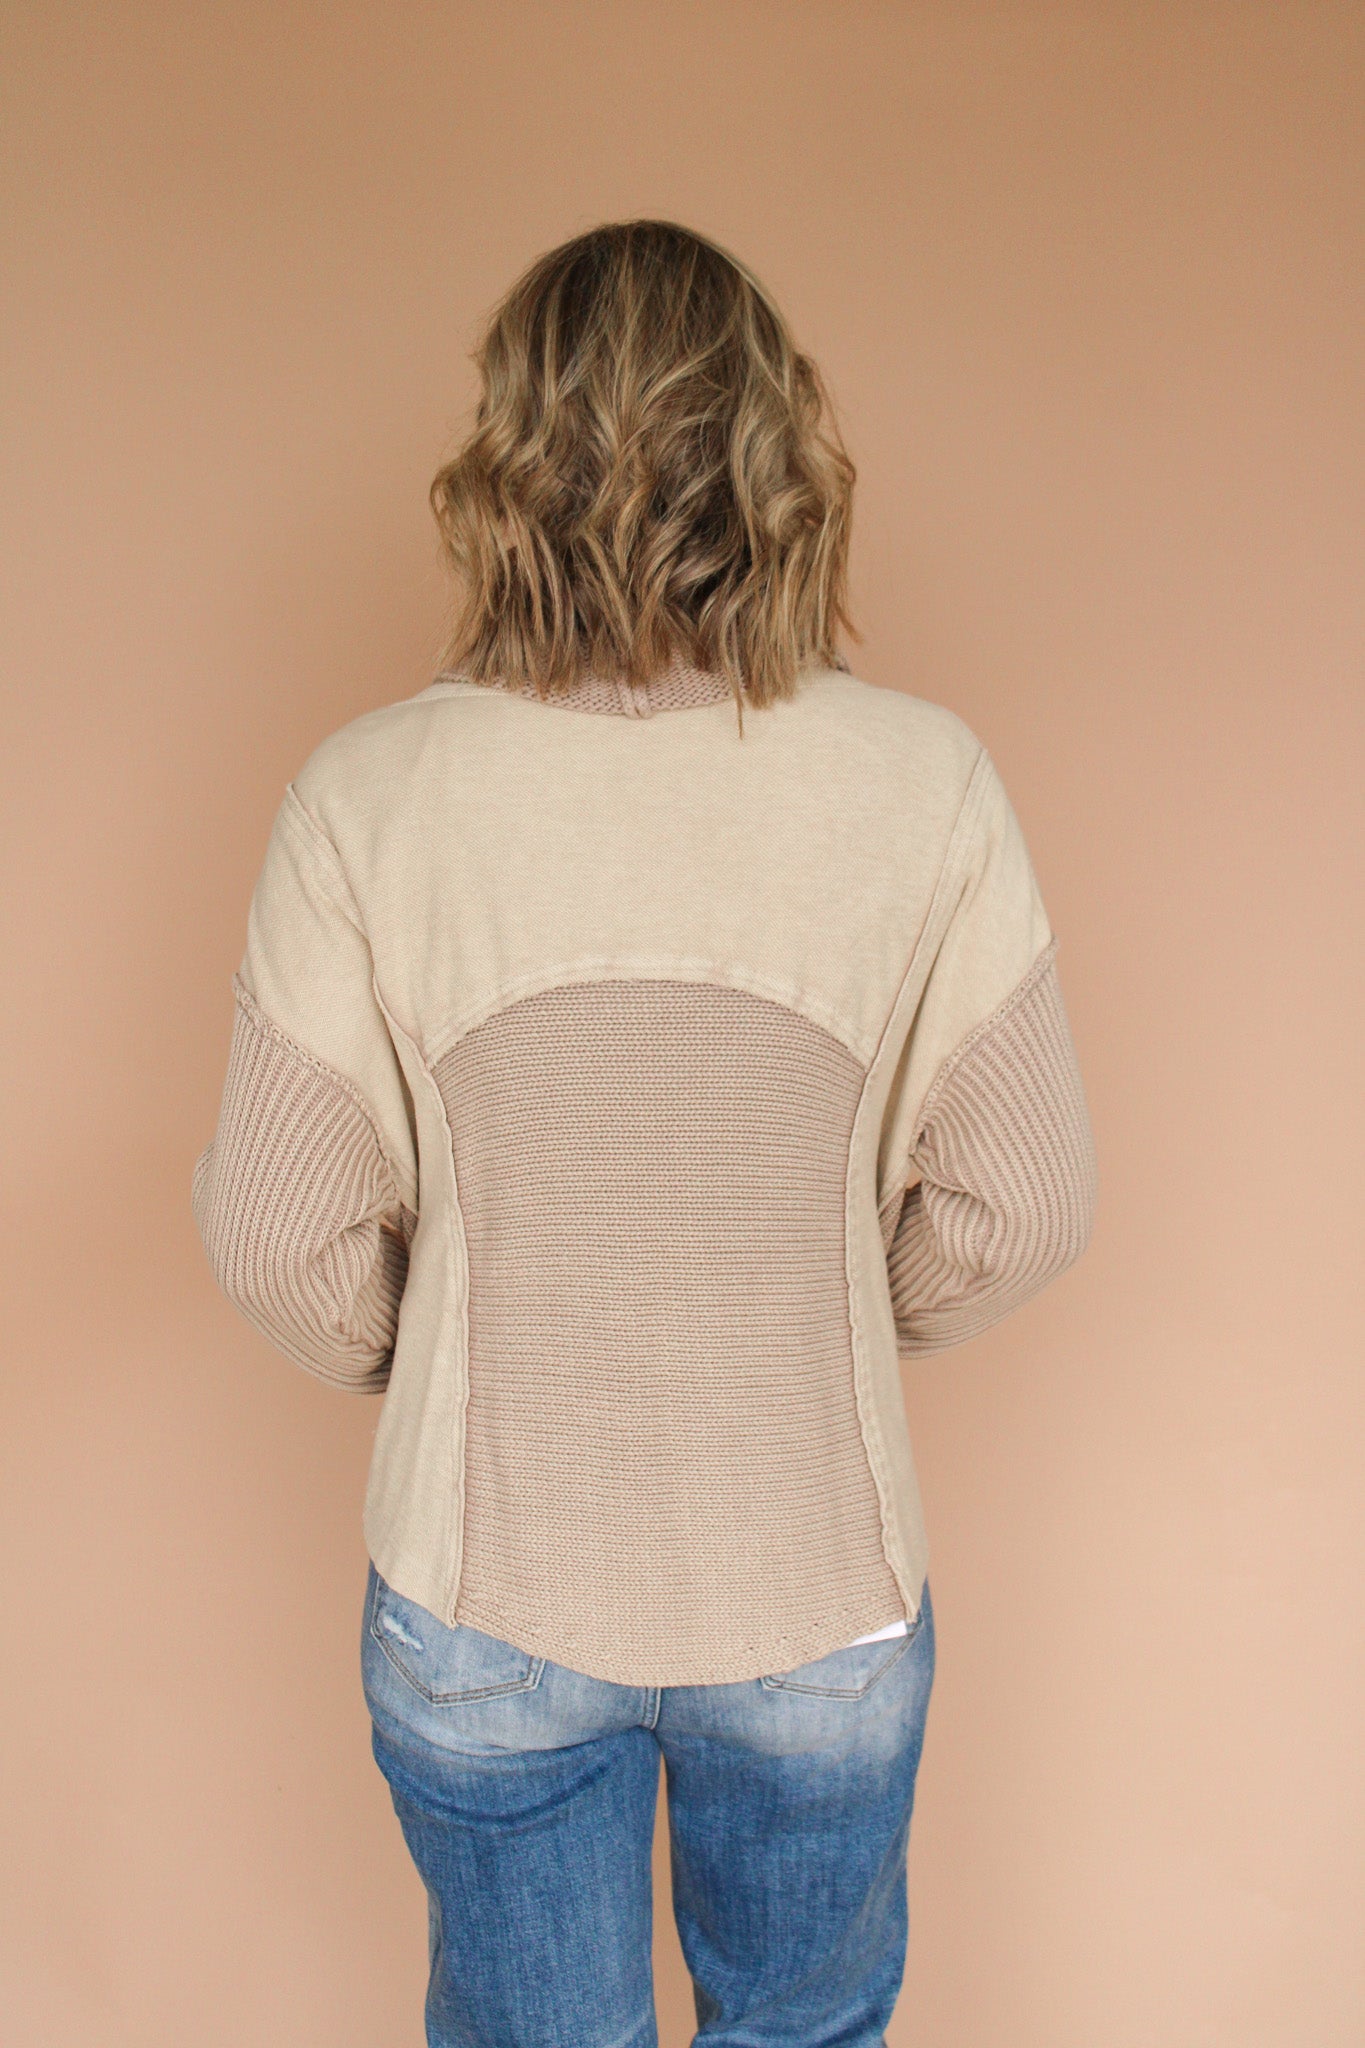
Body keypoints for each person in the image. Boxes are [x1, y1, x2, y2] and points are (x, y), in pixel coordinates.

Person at [191, 218, 1098, 2048]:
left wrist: (450, 1346)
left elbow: (279, 1235)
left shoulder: (367, 795)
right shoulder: (921, 782)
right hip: (818, 1582)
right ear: (777, 452)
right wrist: (825, 1311)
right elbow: (1023, 1201)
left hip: (485, 1593)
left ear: (503, 460)